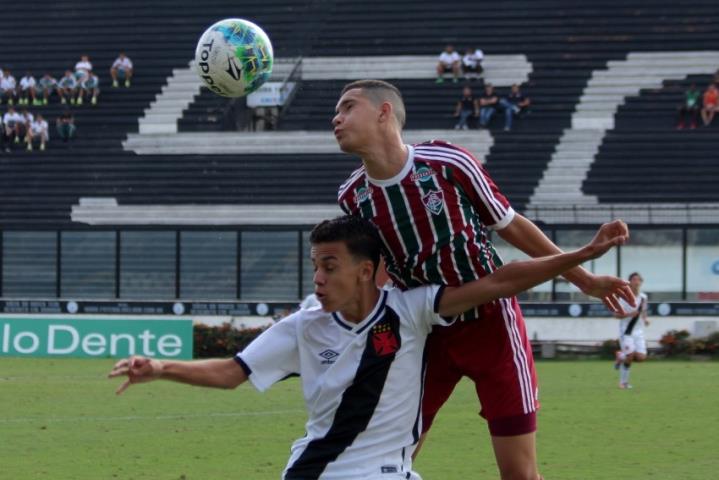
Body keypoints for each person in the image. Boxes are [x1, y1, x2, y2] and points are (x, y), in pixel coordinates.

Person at [109, 215, 627, 480]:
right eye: (313, 266)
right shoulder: (303, 327)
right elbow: (231, 371)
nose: (317, 278)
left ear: (364, 271)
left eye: (328, 266)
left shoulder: (410, 311)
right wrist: (159, 367)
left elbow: (499, 281)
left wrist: (583, 259)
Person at [332, 79, 634, 480]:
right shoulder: (352, 197)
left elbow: (511, 226)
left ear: (384, 111)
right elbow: (380, 267)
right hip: (423, 334)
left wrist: (584, 280)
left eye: (348, 107)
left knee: (519, 473)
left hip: (492, 323)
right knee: (383, 462)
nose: (337, 118)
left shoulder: (447, 163)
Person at [613, 272, 649, 389]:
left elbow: (643, 312)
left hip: (639, 332)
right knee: (630, 356)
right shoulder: (624, 297)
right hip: (626, 332)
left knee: (641, 358)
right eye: (634, 279)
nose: (637, 282)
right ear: (629, 282)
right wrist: (629, 314)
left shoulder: (643, 297)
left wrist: (645, 319)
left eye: (639, 280)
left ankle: (620, 356)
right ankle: (623, 383)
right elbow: (616, 314)